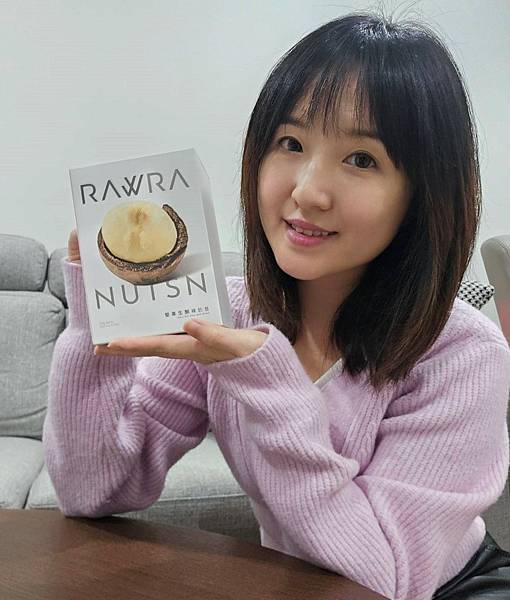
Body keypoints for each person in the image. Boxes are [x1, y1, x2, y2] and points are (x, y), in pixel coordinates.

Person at [43, 11, 510, 600]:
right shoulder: (228, 314)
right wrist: (96, 326)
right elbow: (92, 493)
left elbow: (383, 579)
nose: (307, 191)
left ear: (423, 192)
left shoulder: (463, 353)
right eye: (290, 143)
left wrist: (267, 380)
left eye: (362, 159)